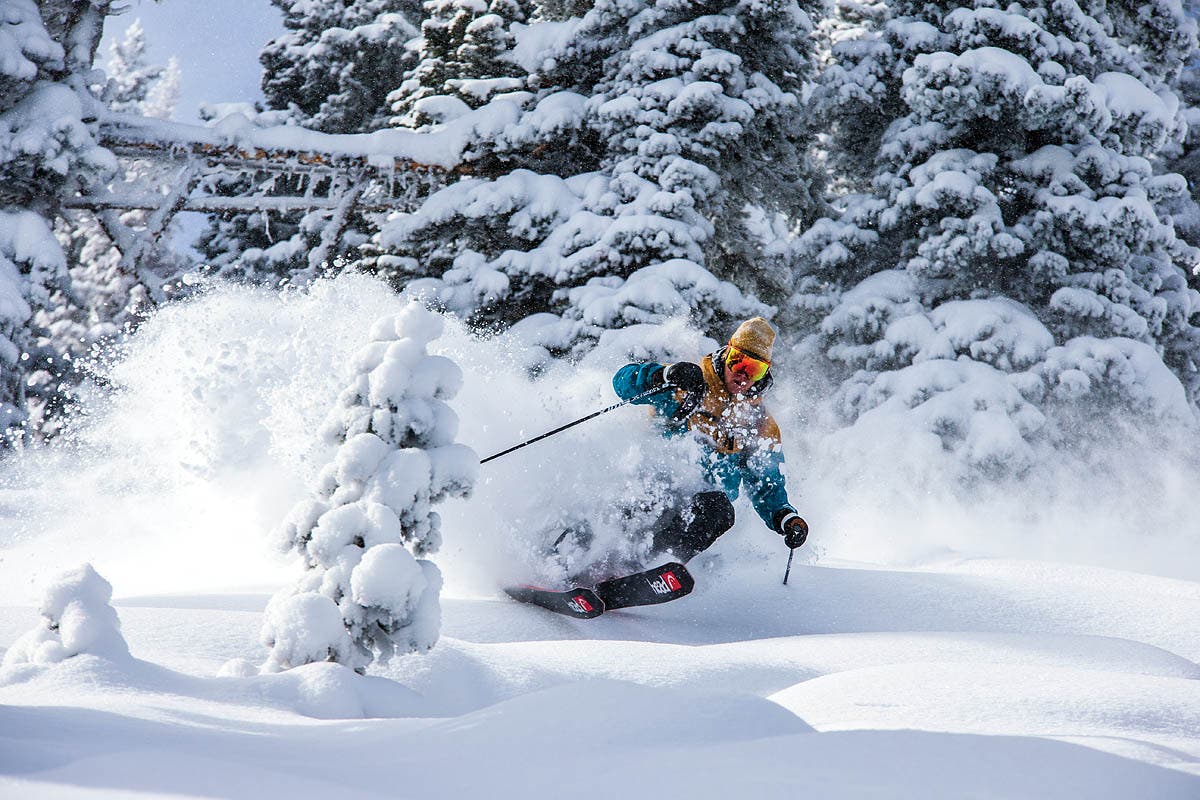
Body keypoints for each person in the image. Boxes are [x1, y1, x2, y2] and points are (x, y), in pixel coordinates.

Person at [609, 316, 809, 566]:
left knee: (720, 511)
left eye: (754, 369)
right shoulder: (690, 383)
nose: (743, 375)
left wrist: (785, 517)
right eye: (738, 362)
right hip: (653, 487)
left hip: (698, 509)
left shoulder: (758, 423)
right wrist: (664, 375)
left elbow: (766, 482)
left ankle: (655, 566)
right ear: (726, 355)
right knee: (650, 498)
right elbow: (622, 382)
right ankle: (587, 557)